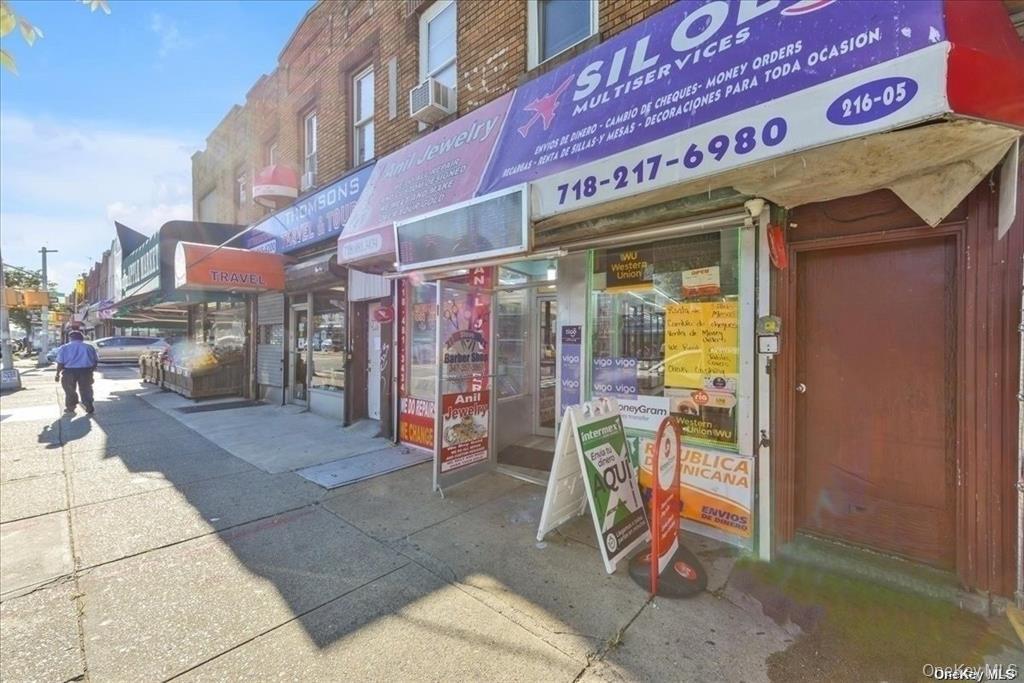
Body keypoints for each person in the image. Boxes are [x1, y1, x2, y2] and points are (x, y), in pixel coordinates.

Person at [55, 331, 98, 414]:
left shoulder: (64, 348)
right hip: (85, 371)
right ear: (82, 338)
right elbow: (95, 360)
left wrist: (57, 374)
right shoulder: (89, 347)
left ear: (71, 338)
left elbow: (60, 362)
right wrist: (91, 371)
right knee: (86, 389)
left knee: (69, 389)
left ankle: (71, 406)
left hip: (69, 372)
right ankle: (88, 405)